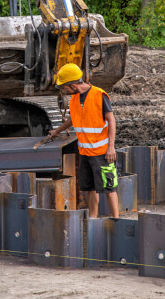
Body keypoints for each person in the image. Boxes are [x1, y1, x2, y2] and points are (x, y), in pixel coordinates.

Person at [47, 63, 119, 218]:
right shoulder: (74, 99)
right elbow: (73, 119)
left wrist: (111, 147)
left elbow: (111, 121)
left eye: (64, 87)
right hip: (85, 152)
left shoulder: (99, 95)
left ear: (73, 85)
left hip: (102, 153)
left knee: (109, 188)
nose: (63, 91)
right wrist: (57, 131)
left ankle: (117, 220)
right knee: (90, 188)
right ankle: (93, 218)